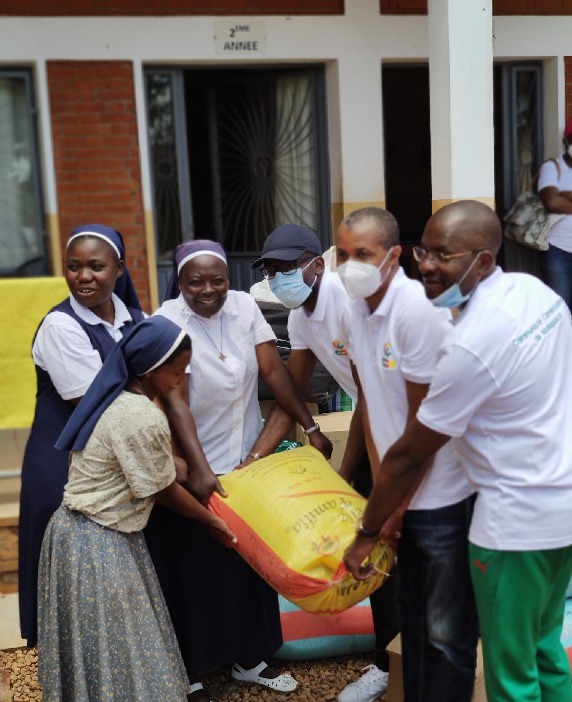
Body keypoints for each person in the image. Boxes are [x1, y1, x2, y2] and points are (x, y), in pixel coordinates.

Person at [344, 200, 572, 702]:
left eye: (444, 255)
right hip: (562, 508)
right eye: (425, 250)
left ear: (483, 261)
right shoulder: (537, 295)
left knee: (511, 674)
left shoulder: (469, 343)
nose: (427, 264)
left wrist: (366, 532)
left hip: (514, 524)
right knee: (544, 650)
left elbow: (409, 454)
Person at [146, 239, 332, 702]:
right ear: (179, 281)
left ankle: (249, 659)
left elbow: (273, 372)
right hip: (189, 465)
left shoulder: (245, 307)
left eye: (218, 280)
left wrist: (308, 426)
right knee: (190, 568)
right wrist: (199, 471)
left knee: (246, 565)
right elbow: (173, 401)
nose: (208, 290)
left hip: (245, 459)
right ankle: (189, 668)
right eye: (195, 281)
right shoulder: (166, 321)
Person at [38, 316, 237, 702]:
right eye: (177, 372)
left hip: (72, 536)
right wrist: (212, 519)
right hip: (99, 544)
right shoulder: (142, 416)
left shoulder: (106, 397)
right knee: (126, 650)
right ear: (151, 369)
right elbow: (164, 491)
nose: (181, 380)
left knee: (96, 651)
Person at [248, 222, 399, 702]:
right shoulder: (300, 318)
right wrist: (254, 461)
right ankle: (387, 660)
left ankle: (401, 663)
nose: (277, 279)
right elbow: (289, 395)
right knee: (382, 558)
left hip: (409, 434)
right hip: (379, 427)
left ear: (318, 263)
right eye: (270, 270)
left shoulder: (350, 307)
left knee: (394, 547)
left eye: (286, 268)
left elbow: (372, 398)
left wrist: (342, 476)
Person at [337, 207, 478, 702]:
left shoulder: (417, 311)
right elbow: (373, 410)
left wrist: (387, 516)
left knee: (447, 635)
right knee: (413, 628)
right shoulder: (354, 310)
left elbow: (425, 430)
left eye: (363, 254)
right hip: (399, 491)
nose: (349, 264)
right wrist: (383, 492)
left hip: (440, 497)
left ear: (394, 256)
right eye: (342, 253)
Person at [18, 223, 145, 648]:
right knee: (74, 574)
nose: (83, 276)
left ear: (120, 270)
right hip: (63, 464)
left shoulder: (133, 321)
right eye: (73, 267)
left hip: (111, 461)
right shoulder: (61, 326)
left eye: (95, 266)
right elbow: (95, 402)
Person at [538, 120, 572, 311]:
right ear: (566, 142)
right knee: (559, 308)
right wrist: (559, 198)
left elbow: (559, 202)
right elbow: (551, 201)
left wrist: (566, 196)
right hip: (559, 252)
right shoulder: (553, 167)